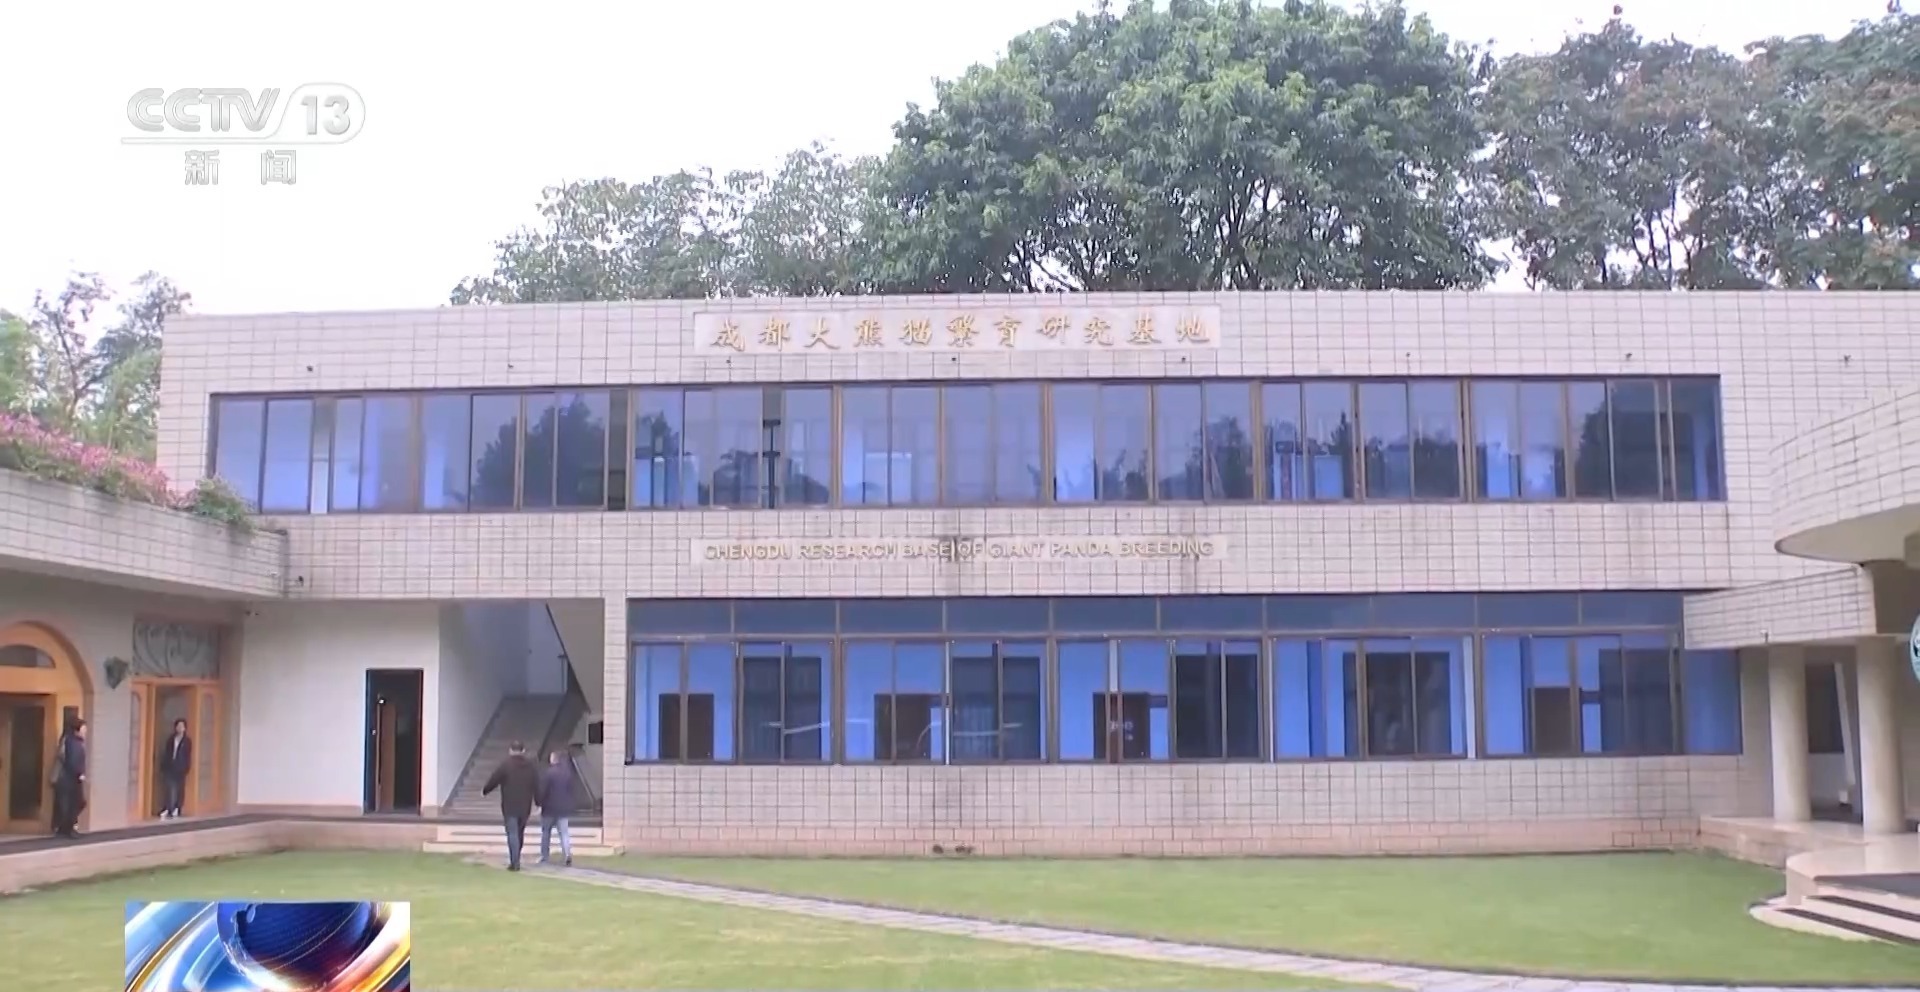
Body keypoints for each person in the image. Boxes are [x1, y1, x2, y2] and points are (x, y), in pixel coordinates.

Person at [480, 741, 538, 871]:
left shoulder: (506, 765)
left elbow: (494, 779)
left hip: (510, 805)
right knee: (520, 832)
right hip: (525, 805)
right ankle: (516, 857)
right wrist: (538, 801)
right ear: (523, 751)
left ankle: (514, 862)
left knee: (512, 833)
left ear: (510, 750)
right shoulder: (531, 767)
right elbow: (537, 784)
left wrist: (485, 791)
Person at [535, 749, 576, 867]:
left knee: (546, 833)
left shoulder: (548, 773)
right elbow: (571, 790)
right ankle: (567, 854)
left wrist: (539, 804)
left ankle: (544, 856)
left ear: (553, 759)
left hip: (549, 808)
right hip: (563, 808)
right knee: (564, 833)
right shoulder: (568, 773)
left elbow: (543, 790)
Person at [50, 717, 88, 838]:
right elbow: (71, 761)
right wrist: (79, 773)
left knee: (72, 804)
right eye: (83, 729)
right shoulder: (72, 742)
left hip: (69, 778)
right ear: (77, 730)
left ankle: (65, 828)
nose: (85, 731)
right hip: (69, 778)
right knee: (75, 803)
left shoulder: (73, 741)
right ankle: (66, 828)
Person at [159, 718, 193, 819]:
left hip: (181, 768)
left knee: (179, 789)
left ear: (185, 728)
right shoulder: (171, 739)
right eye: (178, 726)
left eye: (182, 726)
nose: (180, 728)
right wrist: (164, 765)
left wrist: (186, 767)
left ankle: (177, 808)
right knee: (169, 788)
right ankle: (168, 808)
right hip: (170, 766)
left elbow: (187, 755)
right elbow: (167, 753)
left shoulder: (187, 741)